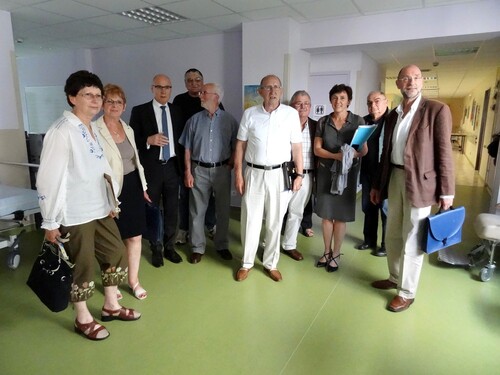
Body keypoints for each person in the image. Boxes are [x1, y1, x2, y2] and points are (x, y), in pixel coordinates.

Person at [36, 70, 141, 341]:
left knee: (116, 253)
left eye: (98, 95)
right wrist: (49, 222)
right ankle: (82, 317)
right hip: (74, 213)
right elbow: (48, 180)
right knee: (82, 265)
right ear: (72, 97)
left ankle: (110, 305)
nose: (96, 101)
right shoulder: (61, 132)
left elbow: (101, 168)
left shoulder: (91, 128)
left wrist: (111, 201)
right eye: (88, 95)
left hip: (100, 209)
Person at [370, 64, 454, 312]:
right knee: (393, 232)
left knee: (413, 237)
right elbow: (386, 152)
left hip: (421, 182)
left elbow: (444, 152)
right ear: (398, 83)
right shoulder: (393, 115)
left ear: (422, 82)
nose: (411, 82)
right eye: (406, 78)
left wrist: (446, 191)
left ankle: (407, 292)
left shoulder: (437, 110)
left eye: (416, 77)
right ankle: (395, 277)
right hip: (395, 177)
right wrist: (377, 185)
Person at [234, 74, 303, 282]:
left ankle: (270, 264)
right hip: (253, 173)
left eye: (276, 87)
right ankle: (246, 263)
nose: (272, 91)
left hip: (280, 175)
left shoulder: (291, 114)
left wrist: (299, 174)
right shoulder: (250, 114)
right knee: (251, 220)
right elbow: (240, 145)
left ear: (281, 91)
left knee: (275, 220)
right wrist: (238, 172)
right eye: (268, 87)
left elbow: (297, 147)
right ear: (260, 91)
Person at [96, 84, 150, 300]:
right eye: (110, 101)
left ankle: (134, 280)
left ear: (124, 105)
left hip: (132, 186)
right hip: (109, 190)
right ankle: (113, 282)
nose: (114, 105)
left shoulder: (127, 128)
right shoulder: (95, 130)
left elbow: (136, 160)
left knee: (135, 237)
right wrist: (104, 198)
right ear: (103, 104)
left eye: (119, 102)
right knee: (113, 239)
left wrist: (143, 186)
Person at [179, 83, 238, 264]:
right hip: (199, 170)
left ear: (216, 97)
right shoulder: (194, 120)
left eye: (204, 92)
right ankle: (197, 247)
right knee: (197, 210)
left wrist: (230, 164)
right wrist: (188, 172)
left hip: (222, 170)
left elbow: (237, 145)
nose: (200, 95)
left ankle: (221, 245)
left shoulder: (229, 120)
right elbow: (187, 148)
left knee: (222, 209)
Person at [129, 74, 184, 267]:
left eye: (167, 87)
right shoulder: (140, 111)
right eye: (159, 87)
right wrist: (148, 140)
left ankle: (170, 247)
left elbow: (183, 142)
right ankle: (156, 247)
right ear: (152, 88)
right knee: (153, 210)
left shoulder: (177, 111)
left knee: (172, 209)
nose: (163, 91)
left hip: (172, 167)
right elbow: (131, 140)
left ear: (171, 89)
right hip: (151, 169)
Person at [314, 84, 368, 272]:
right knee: (327, 216)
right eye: (335, 98)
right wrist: (336, 156)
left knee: (340, 217)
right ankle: (326, 251)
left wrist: (349, 156)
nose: (338, 101)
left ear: (349, 101)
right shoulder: (323, 121)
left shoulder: (358, 121)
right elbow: (317, 149)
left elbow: (363, 150)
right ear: (331, 100)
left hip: (347, 175)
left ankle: (336, 254)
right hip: (326, 173)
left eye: (343, 98)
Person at [173, 69, 221, 244]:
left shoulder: (212, 100)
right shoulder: (179, 101)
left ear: (203, 82)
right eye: (189, 81)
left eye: (197, 80)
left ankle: (211, 225)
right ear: (185, 83)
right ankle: (184, 229)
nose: (193, 83)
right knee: (185, 196)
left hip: (207, 160)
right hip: (185, 157)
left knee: (209, 196)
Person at [281, 90, 317, 261]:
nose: (302, 107)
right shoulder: (284, 124)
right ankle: (268, 242)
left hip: (306, 176)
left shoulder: (317, 126)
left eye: (306, 104)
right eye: (298, 103)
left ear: (310, 107)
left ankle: (289, 245)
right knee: (277, 211)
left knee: (297, 212)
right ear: (291, 106)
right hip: (285, 173)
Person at [355, 91, 389, 257]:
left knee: (385, 209)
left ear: (386, 101)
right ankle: (369, 240)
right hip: (367, 172)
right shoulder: (364, 121)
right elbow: (356, 145)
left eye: (377, 101)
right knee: (368, 207)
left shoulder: (392, 121)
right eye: (369, 102)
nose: (373, 105)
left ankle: (386, 244)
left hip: (385, 174)